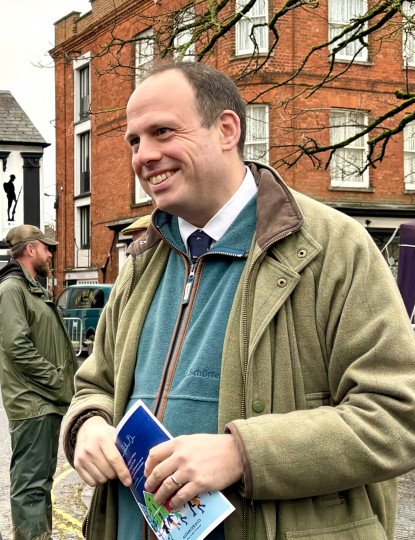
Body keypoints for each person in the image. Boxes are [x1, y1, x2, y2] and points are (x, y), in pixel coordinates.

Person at [62, 62, 415, 540]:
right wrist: (87, 427)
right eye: (134, 140)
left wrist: (241, 454)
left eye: (162, 131)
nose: (144, 155)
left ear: (227, 129)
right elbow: (94, 385)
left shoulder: (335, 247)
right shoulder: (144, 257)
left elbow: (397, 415)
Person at [0, 224, 78, 540]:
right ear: (30, 249)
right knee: (30, 486)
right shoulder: (12, 289)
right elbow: (17, 347)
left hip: (43, 402)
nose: (50, 253)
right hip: (33, 402)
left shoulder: (28, 288)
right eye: (46, 247)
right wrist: (55, 380)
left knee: (40, 483)